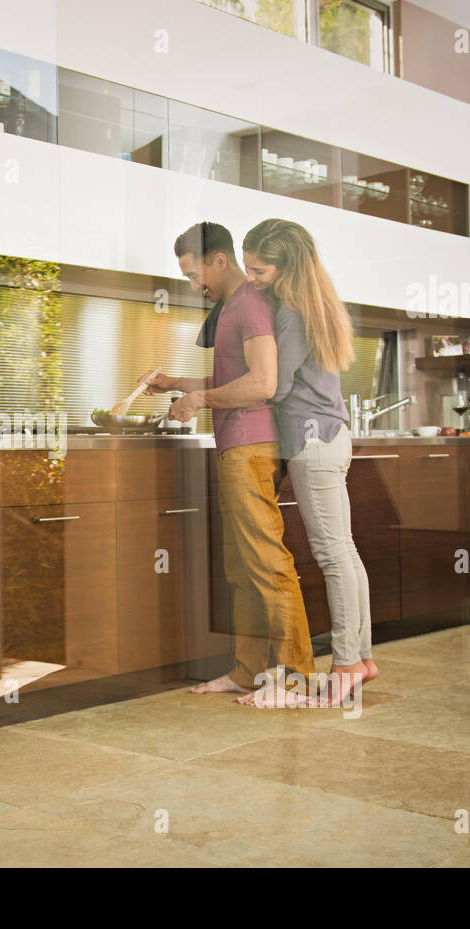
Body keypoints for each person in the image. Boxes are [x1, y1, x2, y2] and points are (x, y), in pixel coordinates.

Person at [140, 221, 314, 707]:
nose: (196, 286)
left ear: (220, 260)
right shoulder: (232, 307)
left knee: (267, 565)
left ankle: (296, 679)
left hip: (252, 447)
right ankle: (250, 670)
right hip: (235, 446)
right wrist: (177, 382)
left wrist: (198, 401)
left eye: (197, 275)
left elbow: (261, 383)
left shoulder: (252, 304)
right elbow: (233, 376)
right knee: (241, 568)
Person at [241, 218, 376, 704]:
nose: (251, 277)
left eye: (259, 270)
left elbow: (273, 386)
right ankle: (361, 657)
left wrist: (228, 388)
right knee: (345, 551)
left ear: (286, 265)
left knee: (333, 555)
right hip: (331, 437)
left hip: (313, 441)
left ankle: (344, 666)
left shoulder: (293, 312)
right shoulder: (315, 302)